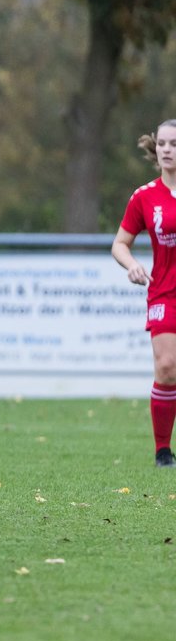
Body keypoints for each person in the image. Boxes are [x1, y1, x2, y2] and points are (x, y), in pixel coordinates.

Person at [111, 118, 176, 468]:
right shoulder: (145, 196)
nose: (167, 149)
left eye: (174, 144)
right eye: (163, 143)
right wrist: (132, 265)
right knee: (166, 366)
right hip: (164, 292)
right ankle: (163, 451)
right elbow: (119, 244)